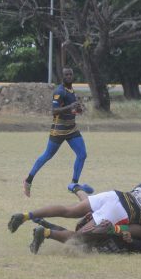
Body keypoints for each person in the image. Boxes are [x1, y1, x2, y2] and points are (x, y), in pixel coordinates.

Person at [8, 172, 141, 253]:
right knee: (79, 239)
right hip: (118, 210)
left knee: (68, 210)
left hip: (113, 195)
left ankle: (27, 215)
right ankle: (45, 233)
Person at [22, 67, 90, 197]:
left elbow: (72, 110)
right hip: (58, 130)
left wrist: (78, 110)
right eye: (66, 75)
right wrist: (71, 106)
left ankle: (74, 184)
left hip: (71, 129)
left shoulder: (71, 90)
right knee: (47, 155)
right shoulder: (59, 91)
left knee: (82, 154)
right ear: (62, 77)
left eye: (71, 74)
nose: (69, 76)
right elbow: (55, 111)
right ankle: (28, 180)